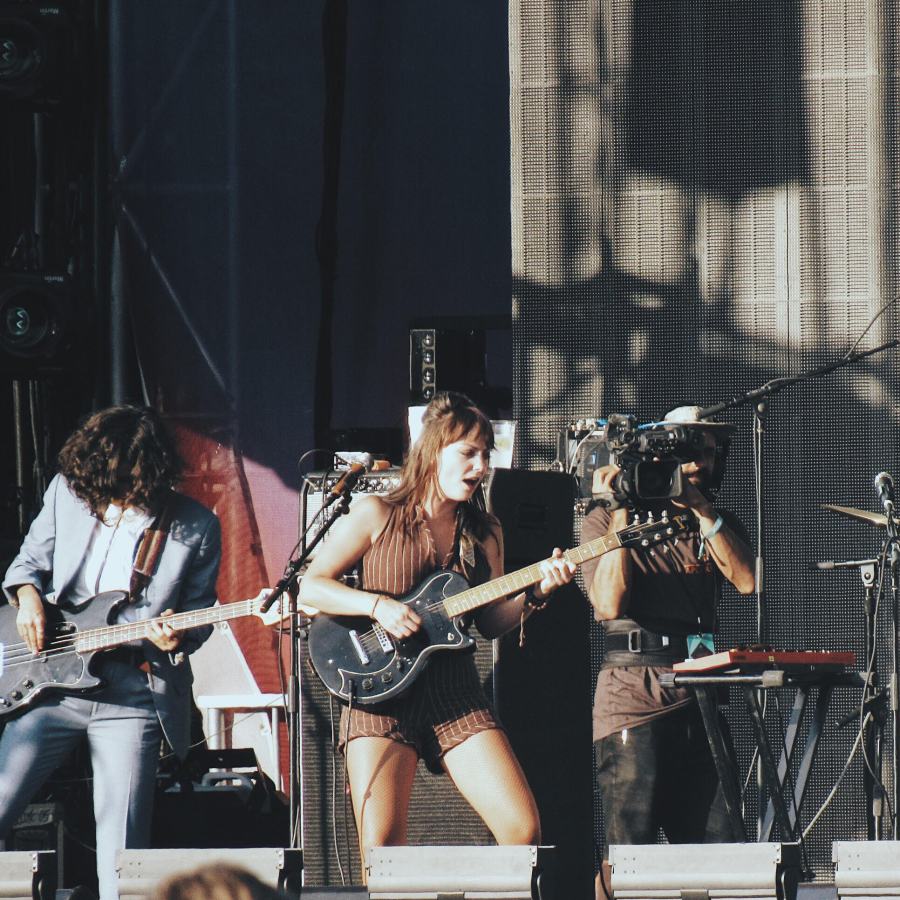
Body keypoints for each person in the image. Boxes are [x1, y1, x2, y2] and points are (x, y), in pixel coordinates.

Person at [299, 391, 576, 863]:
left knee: (522, 829)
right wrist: (376, 606)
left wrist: (534, 594)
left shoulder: (486, 530)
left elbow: (489, 622)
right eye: (468, 453)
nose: (480, 466)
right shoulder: (376, 513)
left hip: (454, 693)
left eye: (486, 456)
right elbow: (310, 589)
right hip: (379, 695)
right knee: (382, 851)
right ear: (432, 451)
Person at [0, 404, 222, 900]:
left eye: (116, 483)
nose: (101, 496)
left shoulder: (195, 526)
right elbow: (28, 563)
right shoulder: (67, 491)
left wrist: (178, 638)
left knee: (122, 853)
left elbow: (199, 614)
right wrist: (29, 599)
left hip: (132, 693)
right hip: (51, 683)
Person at [581, 406, 755, 900]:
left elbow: (747, 580)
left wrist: (700, 508)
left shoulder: (712, 519)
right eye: (692, 448)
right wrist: (619, 507)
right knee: (630, 855)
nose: (702, 459)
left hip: (700, 692)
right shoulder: (600, 522)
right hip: (634, 693)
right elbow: (609, 601)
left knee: (717, 851)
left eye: (710, 450)